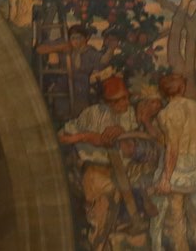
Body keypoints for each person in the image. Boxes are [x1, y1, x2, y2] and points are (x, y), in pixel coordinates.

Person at [59, 74, 142, 250]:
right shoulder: (92, 114)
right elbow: (63, 137)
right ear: (108, 102)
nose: (126, 103)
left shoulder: (129, 114)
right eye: (120, 100)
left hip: (118, 172)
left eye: (127, 98)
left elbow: (132, 147)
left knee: (110, 219)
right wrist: (89, 137)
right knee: (100, 216)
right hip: (95, 172)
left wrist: (122, 133)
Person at [152, 72, 196, 250]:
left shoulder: (166, 114)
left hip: (177, 173)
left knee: (177, 219)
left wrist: (166, 178)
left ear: (163, 92)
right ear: (184, 88)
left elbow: (172, 150)